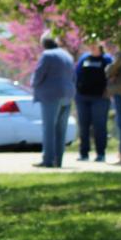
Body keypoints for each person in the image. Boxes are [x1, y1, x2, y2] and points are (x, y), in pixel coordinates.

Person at [31, 31, 76, 168]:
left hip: (51, 95)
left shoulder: (47, 55)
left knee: (49, 128)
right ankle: (58, 160)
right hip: (67, 95)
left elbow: (39, 74)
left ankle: (48, 160)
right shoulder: (67, 55)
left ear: (44, 44)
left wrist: (34, 84)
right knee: (61, 129)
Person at [74, 40, 114, 162]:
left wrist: (108, 90)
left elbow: (112, 76)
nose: (92, 46)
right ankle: (84, 153)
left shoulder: (107, 59)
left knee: (99, 126)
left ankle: (100, 153)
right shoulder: (84, 59)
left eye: (94, 44)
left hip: (100, 98)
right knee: (83, 125)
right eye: (90, 44)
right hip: (83, 96)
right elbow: (76, 74)